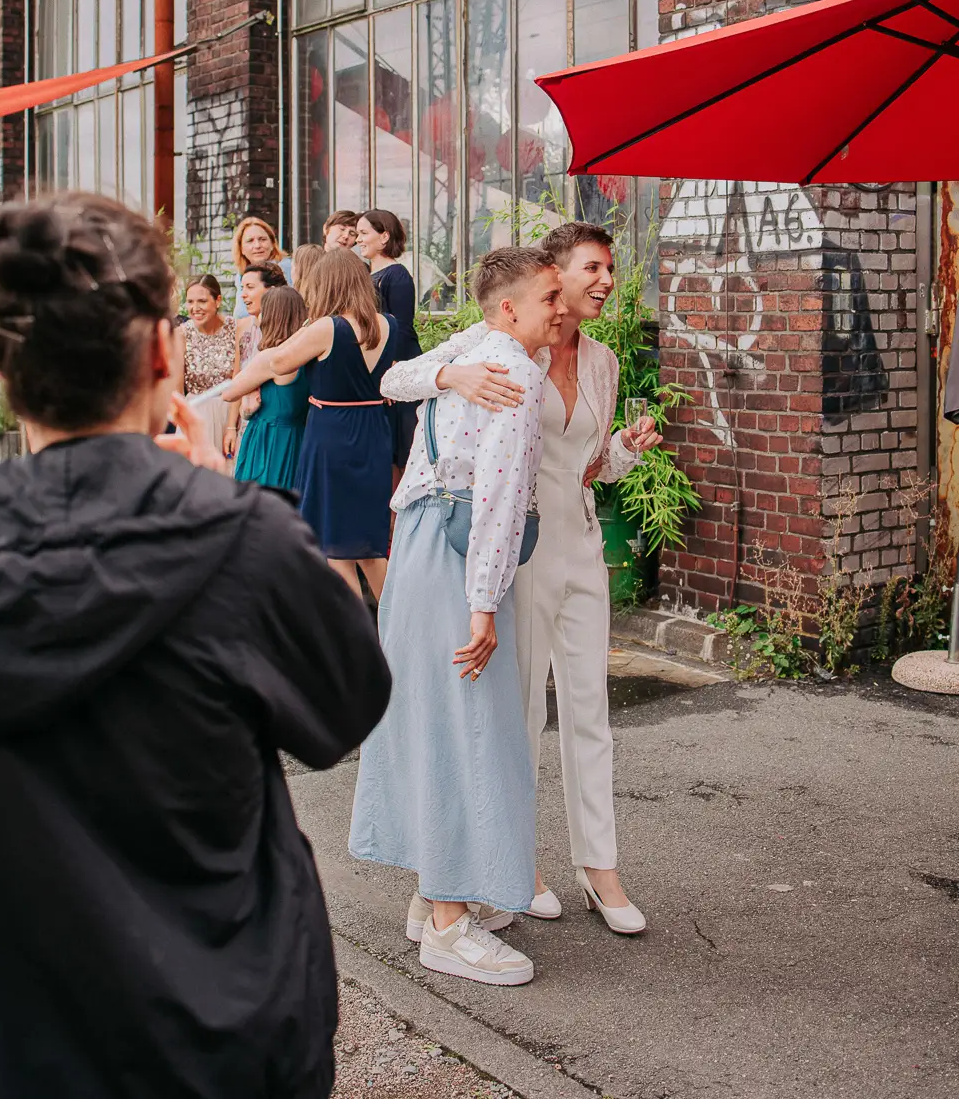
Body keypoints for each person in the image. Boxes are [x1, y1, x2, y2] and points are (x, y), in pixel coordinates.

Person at [0, 193, 391, 1099]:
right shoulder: (244, 542)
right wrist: (230, 494)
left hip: (13, 1040)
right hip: (226, 1033)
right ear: (163, 352)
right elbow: (348, 703)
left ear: (1, 370)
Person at [381, 222, 662, 935]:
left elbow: (588, 464)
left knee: (590, 710)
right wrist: (453, 374)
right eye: (591, 268)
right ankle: (518, 867)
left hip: (582, 546)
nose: (604, 281)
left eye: (610, 268)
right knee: (518, 718)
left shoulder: (601, 362)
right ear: (553, 277)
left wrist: (625, 450)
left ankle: (600, 869)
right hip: (516, 556)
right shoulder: (493, 345)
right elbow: (396, 377)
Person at [350, 247, 566, 988]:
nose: (561, 309)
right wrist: (484, 607)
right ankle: (447, 924)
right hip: (457, 558)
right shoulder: (517, 374)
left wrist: (448, 373)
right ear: (509, 308)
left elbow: (394, 379)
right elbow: (503, 503)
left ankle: (431, 896)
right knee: (468, 728)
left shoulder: (478, 346)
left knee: (433, 718)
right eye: (549, 298)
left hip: (415, 543)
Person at [224, 250, 396, 601]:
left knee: (333, 547)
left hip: (333, 434)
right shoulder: (386, 323)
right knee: (367, 546)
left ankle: (351, 638)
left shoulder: (327, 327)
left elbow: (280, 360)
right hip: (373, 431)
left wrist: (239, 386)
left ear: (326, 284)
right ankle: (399, 634)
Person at [356, 209, 422, 470]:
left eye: (363, 233)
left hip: (397, 362)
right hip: (378, 364)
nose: (358, 239)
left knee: (401, 447)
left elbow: (403, 327)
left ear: (384, 237)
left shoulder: (397, 275)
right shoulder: (367, 275)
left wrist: (389, 369)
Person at [234, 287, 311, 492]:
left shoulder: (271, 357)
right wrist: (246, 410)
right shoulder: (308, 356)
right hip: (297, 437)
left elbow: (230, 392)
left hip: (269, 440)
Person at [224, 259, 287, 462]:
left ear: (272, 290)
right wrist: (231, 427)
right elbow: (237, 378)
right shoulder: (242, 328)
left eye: (250, 287)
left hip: (278, 421)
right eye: (242, 288)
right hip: (247, 419)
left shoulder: (289, 331)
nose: (243, 295)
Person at [182, 274, 235, 456]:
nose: (195, 308)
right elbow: (176, 393)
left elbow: (240, 379)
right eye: (190, 302)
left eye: (202, 301)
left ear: (218, 300)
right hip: (196, 415)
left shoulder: (235, 329)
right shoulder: (182, 334)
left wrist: (232, 427)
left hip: (229, 414)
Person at [231, 215, 292, 319]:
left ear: (272, 244)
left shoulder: (288, 267)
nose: (257, 245)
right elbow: (240, 315)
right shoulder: (241, 275)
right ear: (241, 248)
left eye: (262, 239)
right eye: (250, 241)